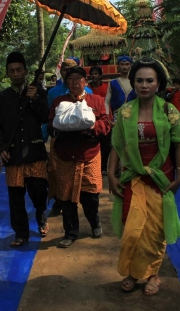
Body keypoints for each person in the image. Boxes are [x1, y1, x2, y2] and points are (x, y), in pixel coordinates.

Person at [108, 58, 180, 295]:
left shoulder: (168, 111)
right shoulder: (124, 113)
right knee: (132, 229)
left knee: (154, 231)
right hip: (132, 179)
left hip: (160, 180)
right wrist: (111, 175)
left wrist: (179, 176)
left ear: (158, 84)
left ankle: (153, 274)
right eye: (139, 80)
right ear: (133, 83)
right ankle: (133, 273)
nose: (144, 85)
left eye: (149, 80)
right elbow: (116, 145)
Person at [0, 52, 50, 247]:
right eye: (12, 71)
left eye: (19, 70)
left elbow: (45, 117)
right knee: (16, 198)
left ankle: (41, 217)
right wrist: (0, 149)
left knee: (39, 193)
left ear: (25, 71)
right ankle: (21, 233)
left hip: (35, 154)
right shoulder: (1, 99)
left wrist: (34, 100)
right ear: (7, 74)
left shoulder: (37, 93)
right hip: (13, 155)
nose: (16, 74)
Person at [48, 66, 110, 248]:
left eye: (79, 78)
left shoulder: (96, 101)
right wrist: (60, 128)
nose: (75, 82)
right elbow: (51, 124)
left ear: (85, 82)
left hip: (89, 154)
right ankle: (70, 232)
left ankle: (94, 221)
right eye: (71, 78)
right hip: (65, 155)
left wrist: (91, 128)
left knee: (90, 195)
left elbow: (106, 125)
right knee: (66, 197)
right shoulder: (59, 102)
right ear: (66, 82)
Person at [46, 58, 92, 215]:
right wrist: (45, 135)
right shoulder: (53, 93)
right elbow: (49, 118)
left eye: (73, 70)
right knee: (56, 170)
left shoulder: (89, 93)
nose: (68, 73)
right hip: (60, 140)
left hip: (82, 142)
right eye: (65, 70)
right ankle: (59, 200)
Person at [88, 66, 110, 172]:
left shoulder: (107, 87)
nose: (94, 76)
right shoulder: (87, 88)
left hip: (105, 118)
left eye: (96, 74)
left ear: (100, 75)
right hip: (91, 119)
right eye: (92, 73)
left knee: (106, 143)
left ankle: (104, 166)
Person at [105, 56, 137, 124]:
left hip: (134, 115)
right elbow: (106, 102)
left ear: (131, 65)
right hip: (117, 116)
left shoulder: (136, 82)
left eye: (127, 64)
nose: (124, 67)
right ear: (118, 66)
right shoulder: (112, 83)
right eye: (122, 64)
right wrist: (107, 116)